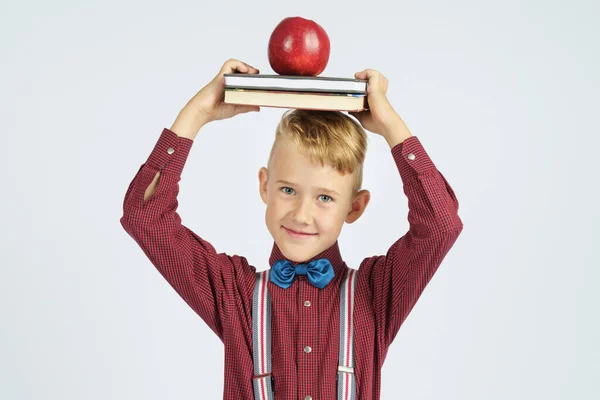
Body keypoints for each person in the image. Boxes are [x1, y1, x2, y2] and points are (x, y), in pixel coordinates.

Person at [120, 58, 463, 400]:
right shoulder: (234, 293)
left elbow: (441, 225)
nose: (301, 214)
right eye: (288, 190)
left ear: (355, 207)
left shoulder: (374, 295)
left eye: (325, 197)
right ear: (264, 187)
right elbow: (145, 217)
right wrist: (197, 113)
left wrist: (390, 125)